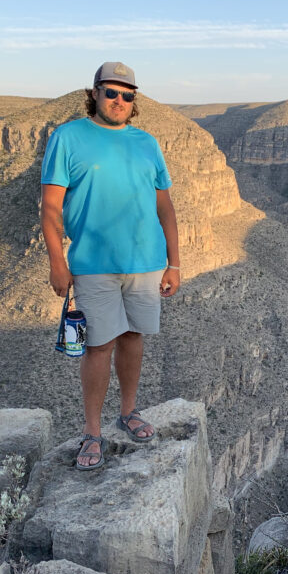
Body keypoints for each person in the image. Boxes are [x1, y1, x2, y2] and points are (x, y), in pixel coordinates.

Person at [40, 61, 181, 470]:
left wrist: (174, 263)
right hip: (92, 263)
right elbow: (50, 208)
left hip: (145, 262)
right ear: (95, 93)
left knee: (134, 336)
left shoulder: (147, 143)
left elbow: (165, 207)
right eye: (111, 92)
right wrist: (56, 260)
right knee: (98, 345)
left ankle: (129, 411)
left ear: (135, 101)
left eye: (127, 95)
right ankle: (92, 433)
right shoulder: (68, 138)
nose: (119, 101)